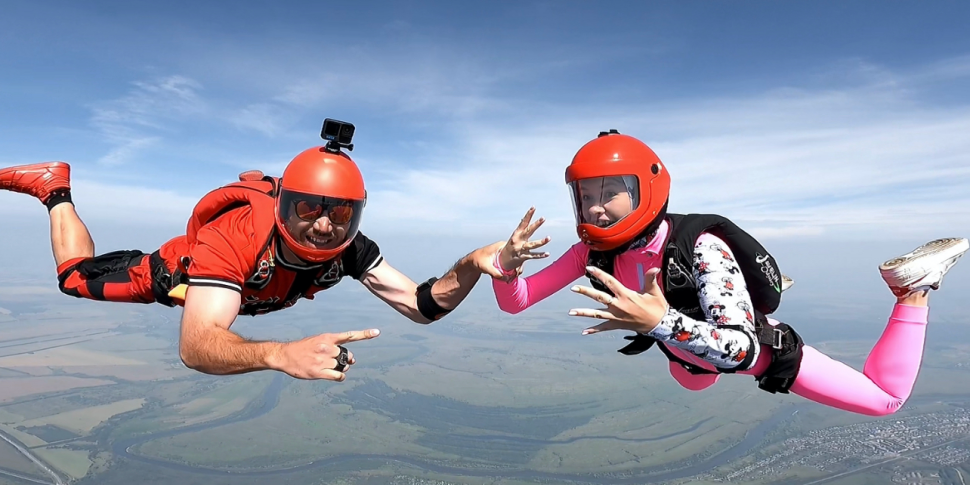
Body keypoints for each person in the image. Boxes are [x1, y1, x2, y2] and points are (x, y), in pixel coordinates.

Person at [489, 129, 968, 417]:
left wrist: (658, 322)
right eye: (585, 195)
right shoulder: (588, 253)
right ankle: (726, 303)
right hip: (688, 354)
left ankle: (911, 289)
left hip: (766, 353)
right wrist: (506, 270)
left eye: (610, 192)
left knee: (884, 401)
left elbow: (743, 350)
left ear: (645, 190)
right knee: (695, 377)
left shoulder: (702, 247)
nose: (595, 208)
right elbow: (516, 302)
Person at [0, 132, 508, 383]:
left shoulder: (349, 250)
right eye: (309, 208)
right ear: (285, 204)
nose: (325, 224)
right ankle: (54, 189)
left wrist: (469, 266)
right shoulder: (237, 236)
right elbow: (197, 346)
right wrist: (277, 353)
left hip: (243, 289)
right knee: (73, 279)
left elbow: (422, 305)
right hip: (171, 273)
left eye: (340, 214)